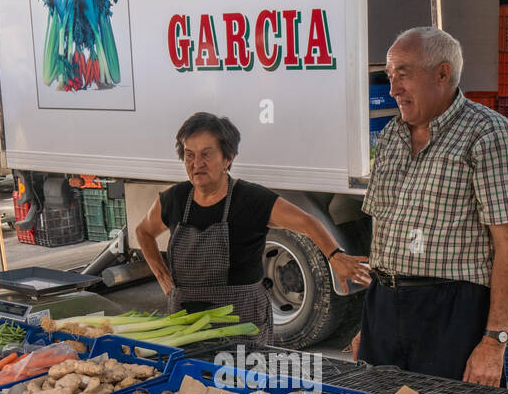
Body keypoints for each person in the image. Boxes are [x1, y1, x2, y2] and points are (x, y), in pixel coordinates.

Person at [355, 27, 508, 386]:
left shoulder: (488, 135)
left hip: (452, 312)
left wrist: (494, 341)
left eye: (403, 74)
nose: (393, 89)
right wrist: (369, 326)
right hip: (385, 306)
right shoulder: (391, 135)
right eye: (390, 77)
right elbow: (383, 234)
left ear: (442, 73)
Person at [135, 112, 370, 344]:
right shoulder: (174, 199)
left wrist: (334, 256)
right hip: (186, 323)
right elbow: (143, 232)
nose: (197, 164)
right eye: (189, 155)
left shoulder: (251, 199)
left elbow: (308, 222)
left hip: (242, 322)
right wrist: (163, 276)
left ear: (228, 158)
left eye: (206, 154)